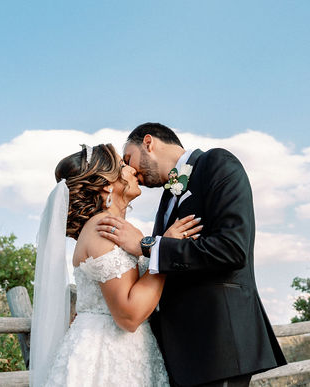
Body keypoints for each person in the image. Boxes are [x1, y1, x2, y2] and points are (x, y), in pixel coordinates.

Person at [98, 123, 287, 387]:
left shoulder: (217, 163)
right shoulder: (167, 197)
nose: (130, 171)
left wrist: (147, 245)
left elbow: (232, 249)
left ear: (149, 143)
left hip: (218, 345)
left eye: (128, 158)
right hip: (181, 352)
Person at [30, 142, 202, 387]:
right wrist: (165, 250)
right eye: (123, 165)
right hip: (106, 358)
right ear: (107, 184)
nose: (133, 170)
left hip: (130, 352)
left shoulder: (115, 228)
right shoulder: (103, 229)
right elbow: (128, 315)